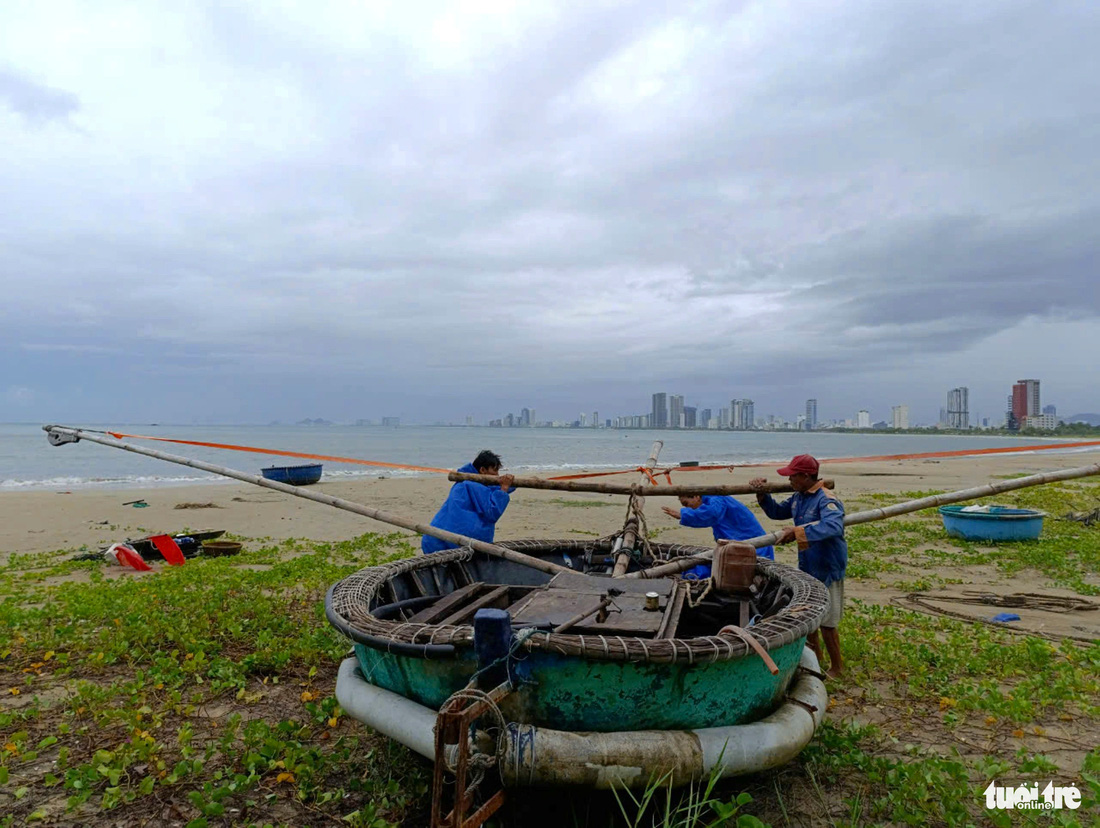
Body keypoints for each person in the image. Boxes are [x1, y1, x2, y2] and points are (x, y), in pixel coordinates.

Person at [749, 454, 847, 678]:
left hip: (828, 564)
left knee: (828, 621)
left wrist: (797, 532)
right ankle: (816, 659)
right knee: (809, 614)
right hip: (809, 563)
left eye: (793, 476)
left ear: (805, 476)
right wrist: (762, 494)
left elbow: (833, 527)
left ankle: (837, 668)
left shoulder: (826, 499)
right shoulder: (798, 497)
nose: (790, 480)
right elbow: (777, 512)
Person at [422, 450, 516, 554]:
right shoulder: (475, 486)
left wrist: (508, 486)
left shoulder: (463, 483)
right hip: (454, 542)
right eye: (494, 471)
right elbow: (492, 512)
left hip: (434, 539)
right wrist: (504, 489)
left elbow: (491, 489)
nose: (497, 475)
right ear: (483, 470)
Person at [661, 495, 774, 579]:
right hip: (744, 547)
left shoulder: (717, 499)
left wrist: (683, 515)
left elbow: (712, 514)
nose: (688, 508)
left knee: (699, 572)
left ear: (696, 497)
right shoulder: (712, 501)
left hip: (756, 548)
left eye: (686, 504)